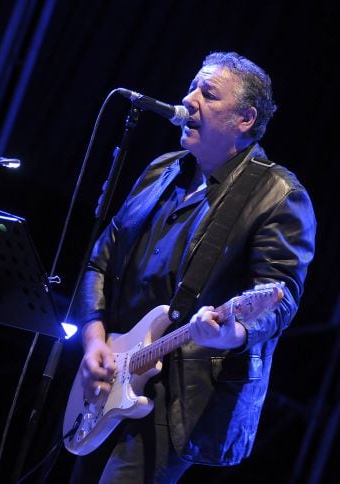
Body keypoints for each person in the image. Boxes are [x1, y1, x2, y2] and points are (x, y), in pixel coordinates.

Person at [67, 51, 316, 482]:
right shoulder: (160, 172)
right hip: (111, 377)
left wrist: (229, 332)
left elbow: (279, 297)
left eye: (209, 93)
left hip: (185, 401)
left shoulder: (278, 195)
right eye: (193, 86)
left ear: (244, 119)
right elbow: (100, 259)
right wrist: (94, 342)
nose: (189, 99)